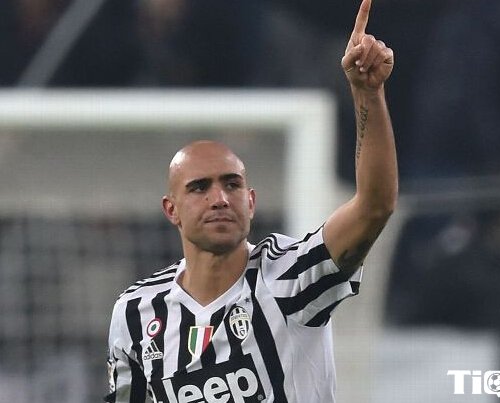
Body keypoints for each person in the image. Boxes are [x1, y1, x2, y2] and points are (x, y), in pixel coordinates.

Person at [105, 0, 397, 401]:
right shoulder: (136, 313)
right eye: (199, 187)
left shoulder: (290, 278)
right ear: (171, 210)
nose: (219, 198)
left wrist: (367, 93)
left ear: (251, 202)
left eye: (232, 185)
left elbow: (374, 206)